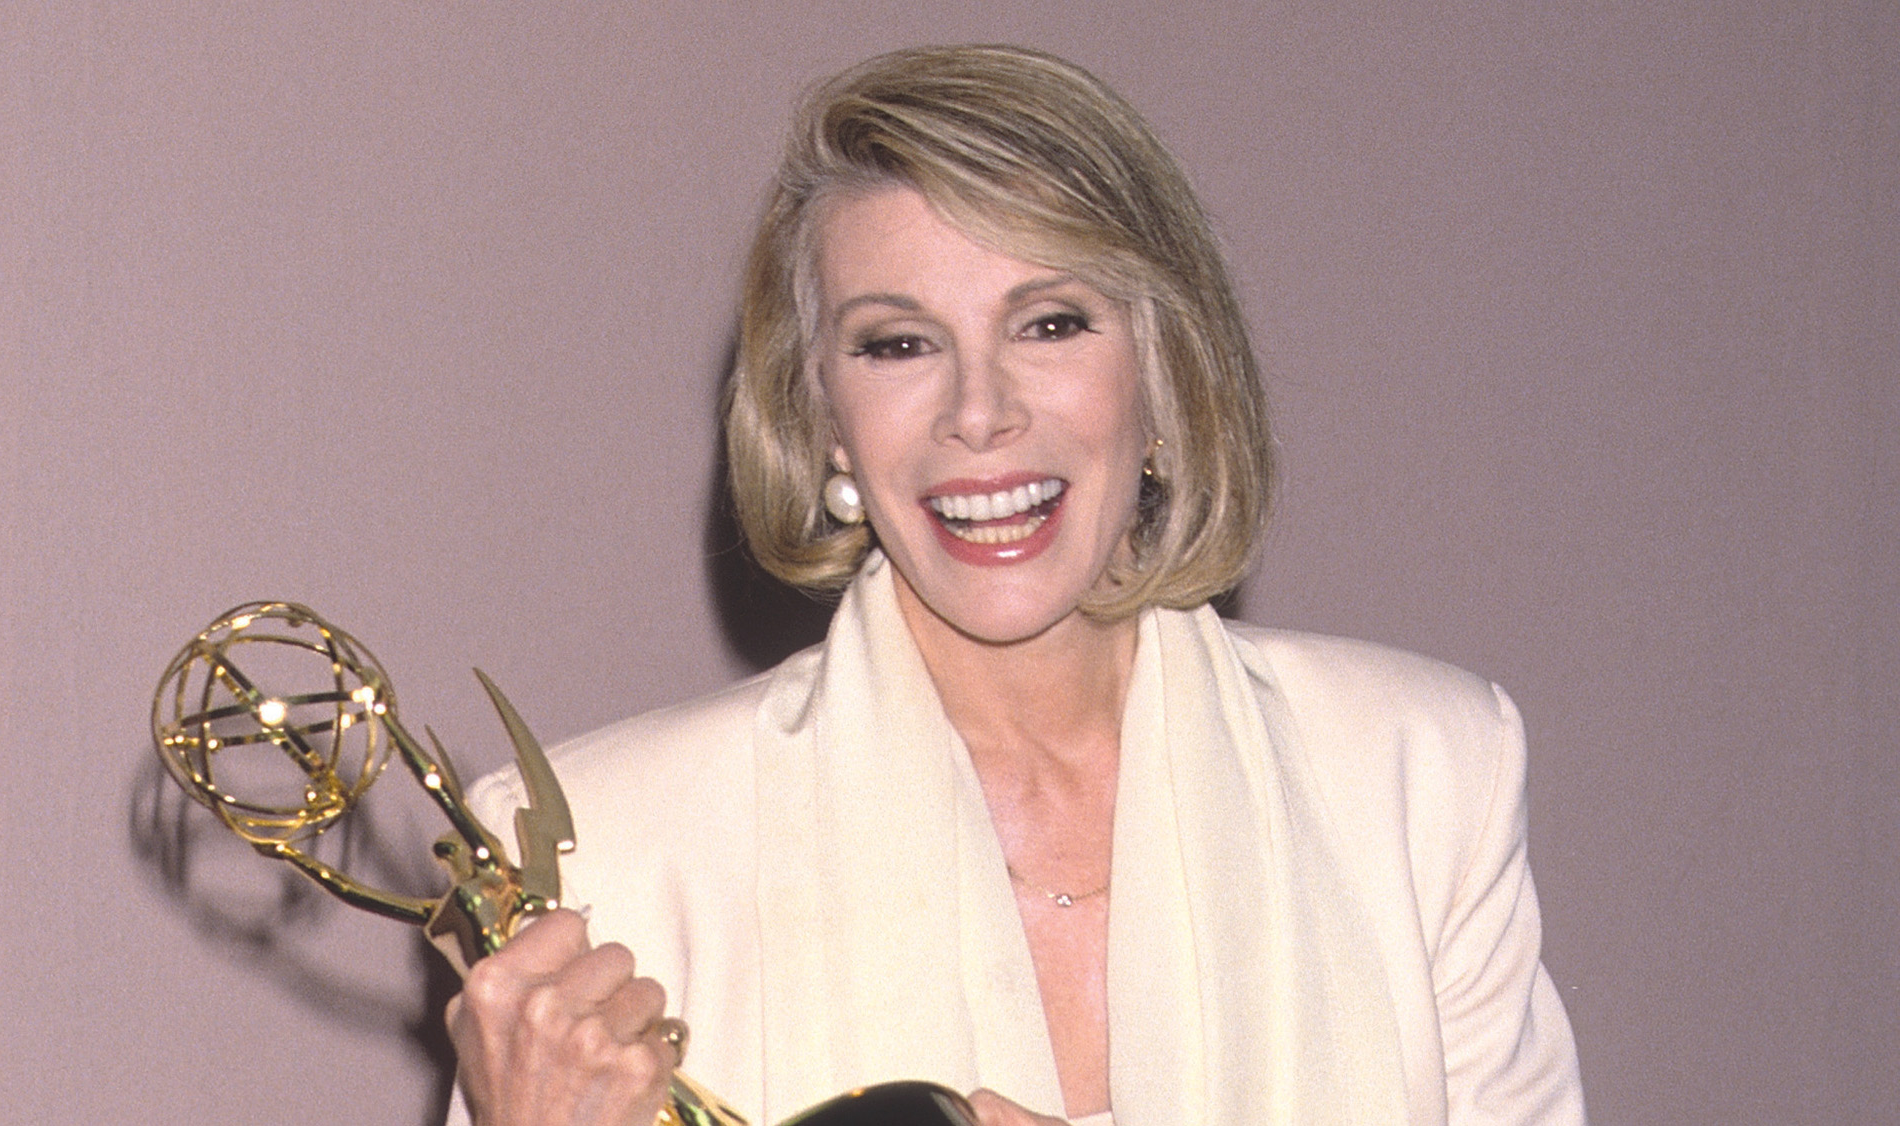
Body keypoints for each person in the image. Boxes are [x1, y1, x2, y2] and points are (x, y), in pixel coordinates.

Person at [445, 45, 1584, 1126]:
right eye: (897, 344)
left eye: (1049, 323)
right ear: (822, 421)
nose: (977, 412)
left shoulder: (1419, 771)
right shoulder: (599, 854)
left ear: (1160, 374)